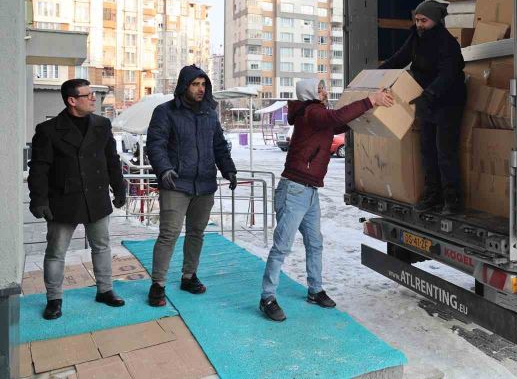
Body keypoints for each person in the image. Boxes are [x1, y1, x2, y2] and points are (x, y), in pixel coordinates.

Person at [259, 79, 394, 321]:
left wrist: (367, 113)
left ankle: (315, 290)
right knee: (282, 246)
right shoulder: (311, 112)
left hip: (310, 191)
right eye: (320, 89)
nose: (324, 91)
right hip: (294, 190)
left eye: (323, 88)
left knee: (315, 243)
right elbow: (335, 117)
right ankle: (267, 297)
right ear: (309, 93)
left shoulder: (317, 116)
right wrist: (371, 99)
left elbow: (340, 123)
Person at [28, 79, 127, 320]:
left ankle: (105, 290)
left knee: (102, 246)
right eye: (88, 95)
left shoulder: (102, 125)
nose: (93, 98)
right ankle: (54, 299)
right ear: (72, 100)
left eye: (93, 94)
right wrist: (39, 200)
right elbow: (39, 169)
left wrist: (119, 188)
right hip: (63, 200)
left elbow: (112, 160)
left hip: (96, 197)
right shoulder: (48, 130)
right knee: (56, 252)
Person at [146, 65, 237, 307]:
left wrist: (228, 169)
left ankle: (189, 276)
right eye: (195, 84)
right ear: (184, 86)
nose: (200, 89)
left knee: (196, 233)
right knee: (169, 234)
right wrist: (164, 169)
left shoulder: (209, 114)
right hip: (175, 183)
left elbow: (219, 145)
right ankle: (158, 284)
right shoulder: (165, 112)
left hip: (204, 184)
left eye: (203, 84)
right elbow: (155, 144)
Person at [379, 0, 466, 214]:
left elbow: (448, 75)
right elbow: (399, 58)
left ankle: (452, 201)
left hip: (447, 102)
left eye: (423, 20)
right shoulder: (416, 38)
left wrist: (429, 95)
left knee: (444, 152)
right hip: (426, 100)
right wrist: (378, 74)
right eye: (417, 20)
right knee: (427, 151)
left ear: (435, 20)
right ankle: (432, 196)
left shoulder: (447, 44)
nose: (419, 24)